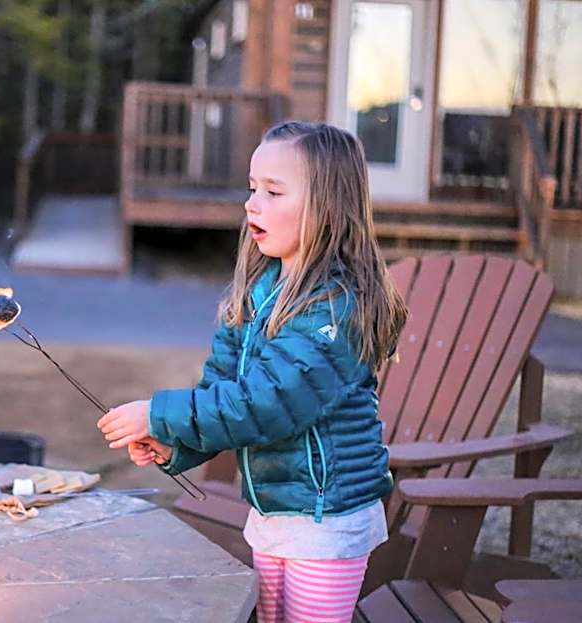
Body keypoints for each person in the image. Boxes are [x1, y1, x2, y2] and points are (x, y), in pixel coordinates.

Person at [97, 121, 408, 623]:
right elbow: (225, 390)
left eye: (273, 191)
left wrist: (158, 414)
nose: (251, 203)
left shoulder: (334, 307)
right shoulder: (260, 291)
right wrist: (179, 444)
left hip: (326, 522)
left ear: (326, 206)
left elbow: (265, 404)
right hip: (273, 516)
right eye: (251, 188)